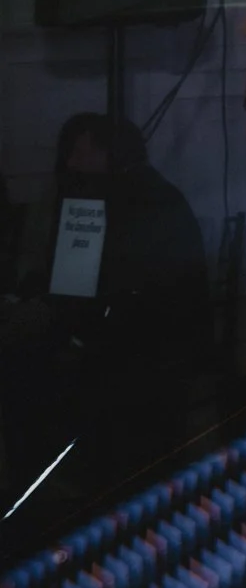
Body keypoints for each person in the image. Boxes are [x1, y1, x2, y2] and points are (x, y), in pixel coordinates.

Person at [0, 114, 209, 509]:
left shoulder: (114, 199)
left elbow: (90, 287)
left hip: (139, 348)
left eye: (81, 152)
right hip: (164, 339)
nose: (73, 163)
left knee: (21, 365)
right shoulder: (149, 191)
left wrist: (47, 311)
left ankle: (43, 489)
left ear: (107, 153)